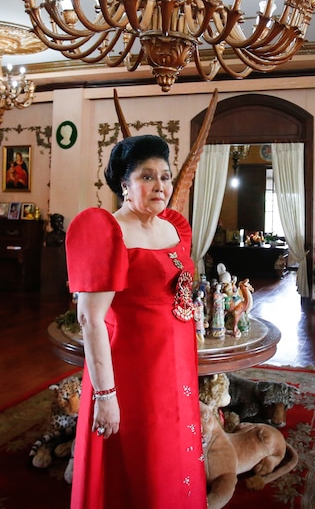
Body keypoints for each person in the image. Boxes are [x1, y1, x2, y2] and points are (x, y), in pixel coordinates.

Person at [65, 135, 206, 508]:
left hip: (174, 366)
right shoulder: (107, 231)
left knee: (174, 454)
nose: (160, 185)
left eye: (165, 176)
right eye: (147, 177)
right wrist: (105, 396)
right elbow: (89, 318)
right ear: (124, 184)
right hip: (129, 372)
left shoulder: (174, 227)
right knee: (141, 464)